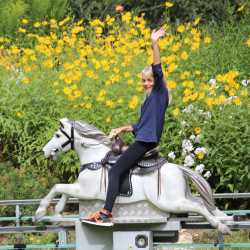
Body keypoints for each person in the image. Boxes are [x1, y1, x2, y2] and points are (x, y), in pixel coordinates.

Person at [82, 27, 169, 226]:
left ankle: (106, 213)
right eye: (143, 81)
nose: (146, 84)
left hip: (145, 142)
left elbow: (157, 67)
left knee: (115, 171)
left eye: (149, 80)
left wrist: (154, 43)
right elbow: (139, 125)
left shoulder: (159, 93)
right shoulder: (148, 101)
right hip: (143, 139)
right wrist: (121, 129)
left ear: (157, 81)